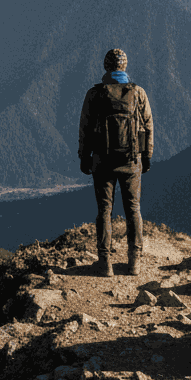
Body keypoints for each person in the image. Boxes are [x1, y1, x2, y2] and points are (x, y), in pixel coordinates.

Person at [78, 48, 153, 277]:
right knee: (133, 209)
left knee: (104, 211)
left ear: (106, 66)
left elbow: (85, 129)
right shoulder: (138, 92)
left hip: (103, 161)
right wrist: (146, 155)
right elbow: (148, 126)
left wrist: (85, 156)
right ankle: (134, 262)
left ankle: (105, 263)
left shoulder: (95, 94)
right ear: (125, 66)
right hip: (131, 160)